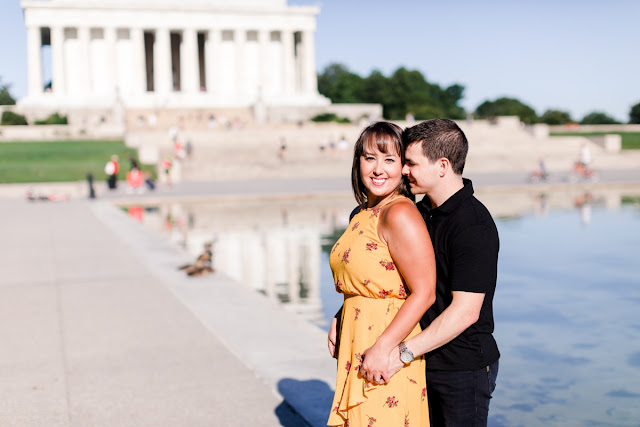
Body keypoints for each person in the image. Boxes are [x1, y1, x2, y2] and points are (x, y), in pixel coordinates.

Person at [360, 119, 500, 427]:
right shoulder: (420, 212)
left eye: (411, 163)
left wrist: (402, 354)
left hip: (460, 367)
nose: (404, 171)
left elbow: (465, 312)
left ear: (442, 165)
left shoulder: (473, 225)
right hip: (419, 360)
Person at [327, 121, 436, 427]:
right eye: (369, 157)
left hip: (384, 346)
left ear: (403, 167)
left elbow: (425, 292)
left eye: (389, 159)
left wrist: (384, 347)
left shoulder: (399, 213)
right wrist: (341, 314)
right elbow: (369, 278)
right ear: (357, 162)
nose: (378, 169)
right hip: (358, 339)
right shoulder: (363, 212)